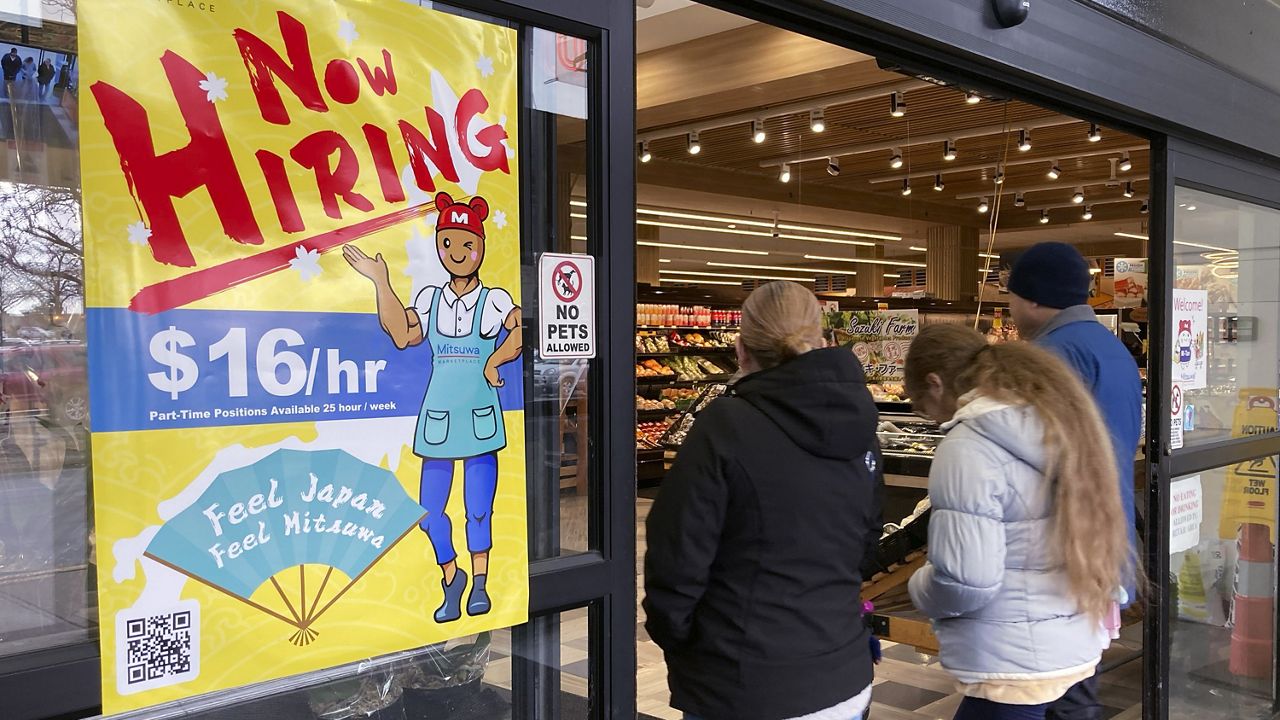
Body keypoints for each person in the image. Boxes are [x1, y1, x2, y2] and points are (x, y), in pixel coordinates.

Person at [644, 281, 883, 720]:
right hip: (844, 675)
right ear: (823, 341)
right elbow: (866, 544)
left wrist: (684, 642)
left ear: (740, 349)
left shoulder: (725, 428)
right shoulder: (861, 423)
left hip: (744, 682)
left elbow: (676, 557)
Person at [904, 325, 1132, 720]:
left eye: (920, 404)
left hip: (1011, 664)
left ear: (935, 383)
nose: (927, 417)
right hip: (1072, 639)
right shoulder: (1055, 417)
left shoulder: (967, 446)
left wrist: (919, 587)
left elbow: (966, 581)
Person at [345, 191, 522, 624]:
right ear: (439, 246)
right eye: (448, 244)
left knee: (479, 509)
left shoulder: (496, 300)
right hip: (439, 419)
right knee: (429, 513)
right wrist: (381, 282)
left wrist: (494, 361)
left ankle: (480, 584)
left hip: (481, 418)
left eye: (467, 244)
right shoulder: (429, 298)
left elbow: (521, 332)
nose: (458, 253)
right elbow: (401, 334)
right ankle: (451, 577)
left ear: (480, 247)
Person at [1007, 242, 1142, 720]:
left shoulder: (1049, 356)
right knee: (1079, 682)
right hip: (1106, 539)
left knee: (1045, 691)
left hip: (1062, 546)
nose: (1010, 307)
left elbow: (1025, 459)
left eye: (1012, 296)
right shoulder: (1113, 350)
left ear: (1035, 299)